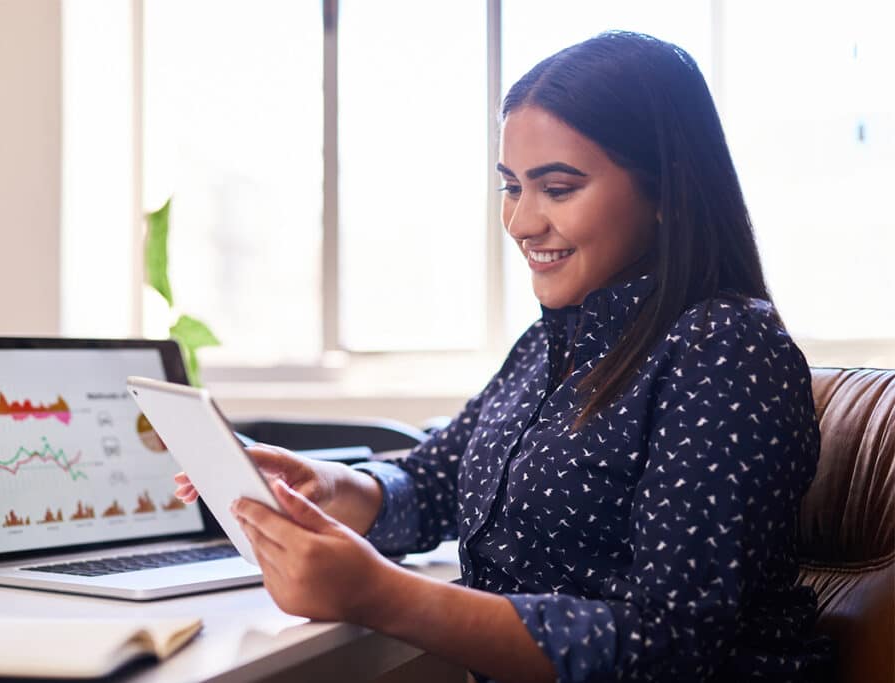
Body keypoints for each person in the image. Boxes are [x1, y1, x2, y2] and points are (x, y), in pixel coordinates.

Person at [175, 31, 833, 683]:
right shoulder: (553, 339)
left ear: (665, 192)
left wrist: (381, 594)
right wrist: (335, 487)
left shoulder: (724, 348)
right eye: (511, 187)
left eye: (558, 188)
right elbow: (436, 483)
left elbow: (668, 646)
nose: (521, 221)